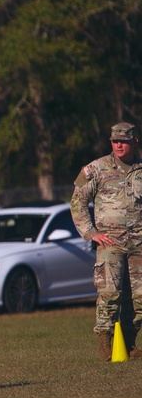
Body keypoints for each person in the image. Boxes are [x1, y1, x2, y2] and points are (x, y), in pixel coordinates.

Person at [70, 121, 142, 361]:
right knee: (110, 293)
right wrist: (91, 234)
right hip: (110, 243)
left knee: (139, 298)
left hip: (139, 244)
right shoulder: (97, 169)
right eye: (115, 141)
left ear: (134, 142)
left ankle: (129, 345)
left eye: (123, 140)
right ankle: (106, 346)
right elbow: (77, 202)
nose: (119, 144)